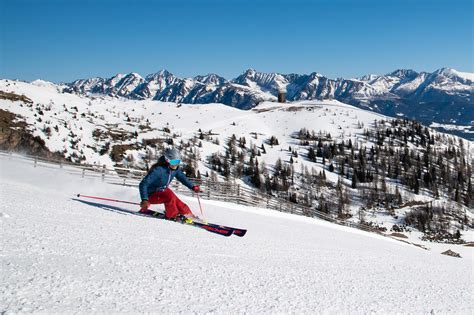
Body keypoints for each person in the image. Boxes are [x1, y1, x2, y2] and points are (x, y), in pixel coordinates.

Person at [139, 148, 200, 219]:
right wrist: (144, 199)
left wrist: (192, 187)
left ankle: (188, 214)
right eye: (173, 162)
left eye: (177, 162)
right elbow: (143, 184)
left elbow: (183, 178)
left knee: (176, 200)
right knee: (169, 197)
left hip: (162, 191)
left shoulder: (175, 170)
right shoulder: (159, 170)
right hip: (151, 195)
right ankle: (172, 215)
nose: (176, 164)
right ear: (167, 160)